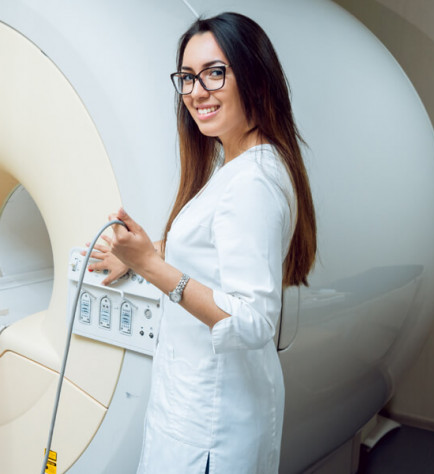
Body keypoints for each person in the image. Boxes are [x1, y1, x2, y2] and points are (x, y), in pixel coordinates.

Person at [86, 12, 317, 473]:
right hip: (200, 410)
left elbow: (252, 319)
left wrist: (151, 266)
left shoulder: (252, 182)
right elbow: (214, 249)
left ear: (254, 77)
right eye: (188, 77)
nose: (196, 91)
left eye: (214, 73)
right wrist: (140, 254)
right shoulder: (242, 165)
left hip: (212, 428)